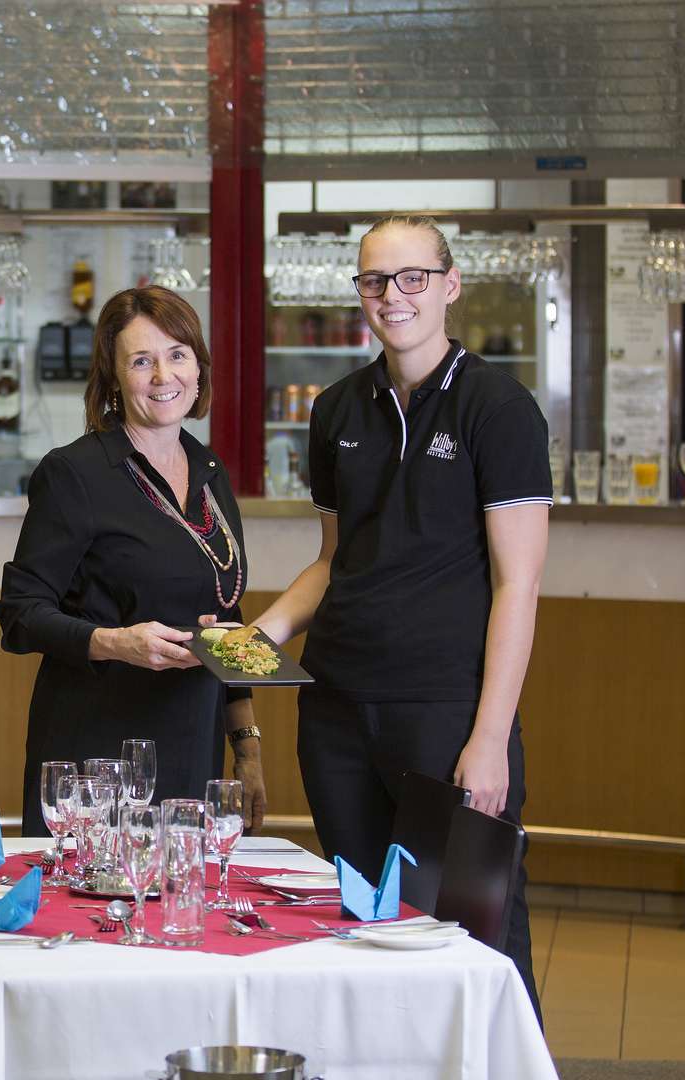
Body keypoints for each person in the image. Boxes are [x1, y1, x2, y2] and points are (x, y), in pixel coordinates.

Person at [248, 217, 551, 1017]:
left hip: (445, 718)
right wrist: (261, 636)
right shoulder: (338, 409)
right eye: (376, 281)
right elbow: (334, 563)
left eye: (412, 277)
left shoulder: (500, 407)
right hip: (339, 715)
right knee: (366, 932)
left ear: (450, 285)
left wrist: (489, 739)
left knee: (476, 942)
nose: (393, 296)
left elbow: (518, 586)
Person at [0, 286, 265, 838]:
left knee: (181, 910)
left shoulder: (209, 471)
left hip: (194, 739)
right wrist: (117, 642)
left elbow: (227, 611)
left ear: (198, 367)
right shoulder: (76, 474)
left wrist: (247, 747)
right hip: (98, 756)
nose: (164, 376)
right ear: (114, 377)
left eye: (178, 355)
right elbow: (20, 613)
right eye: (142, 361)